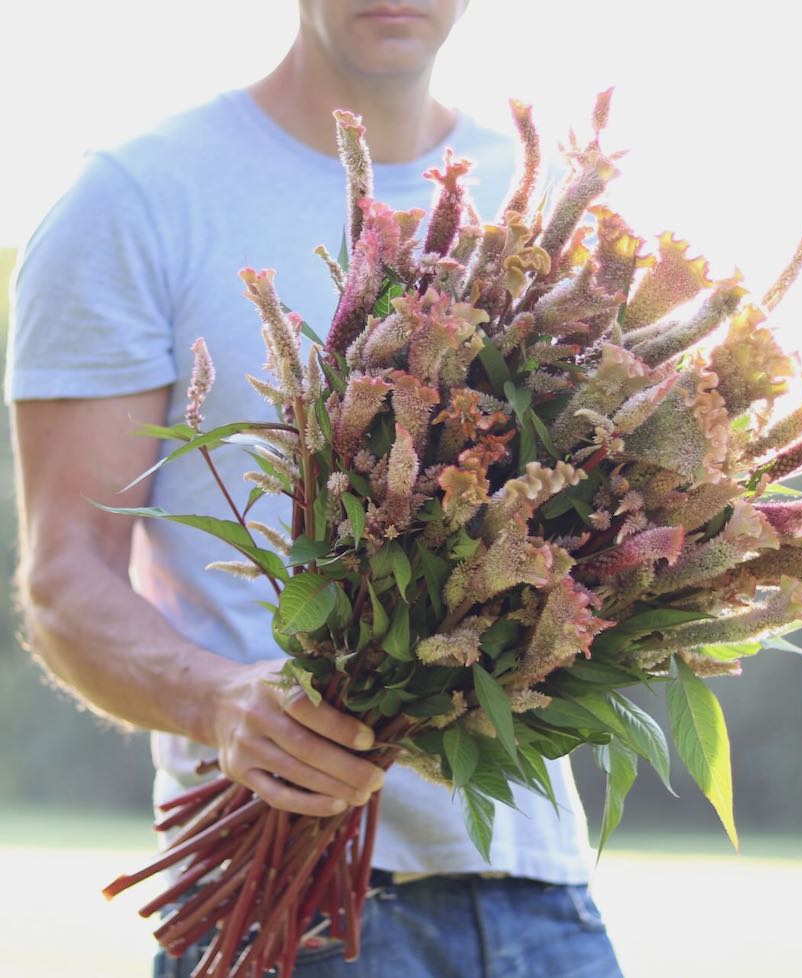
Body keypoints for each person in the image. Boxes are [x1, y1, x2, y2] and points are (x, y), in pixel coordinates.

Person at [6, 2, 624, 975]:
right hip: (287, 916)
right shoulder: (135, 198)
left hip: (542, 903)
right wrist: (222, 700)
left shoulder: (546, 199)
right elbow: (62, 579)